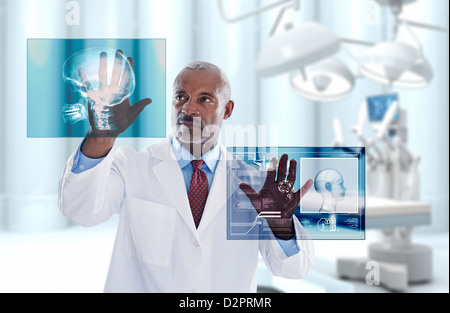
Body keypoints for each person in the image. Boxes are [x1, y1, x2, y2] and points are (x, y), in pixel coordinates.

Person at [58, 50, 314, 292]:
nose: (188, 109)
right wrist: (102, 135)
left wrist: (282, 225)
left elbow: (294, 268)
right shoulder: (131, 166)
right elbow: (80, 210)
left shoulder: (256, 183)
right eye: (181, 97)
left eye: (205, 99)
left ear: (227, 110)